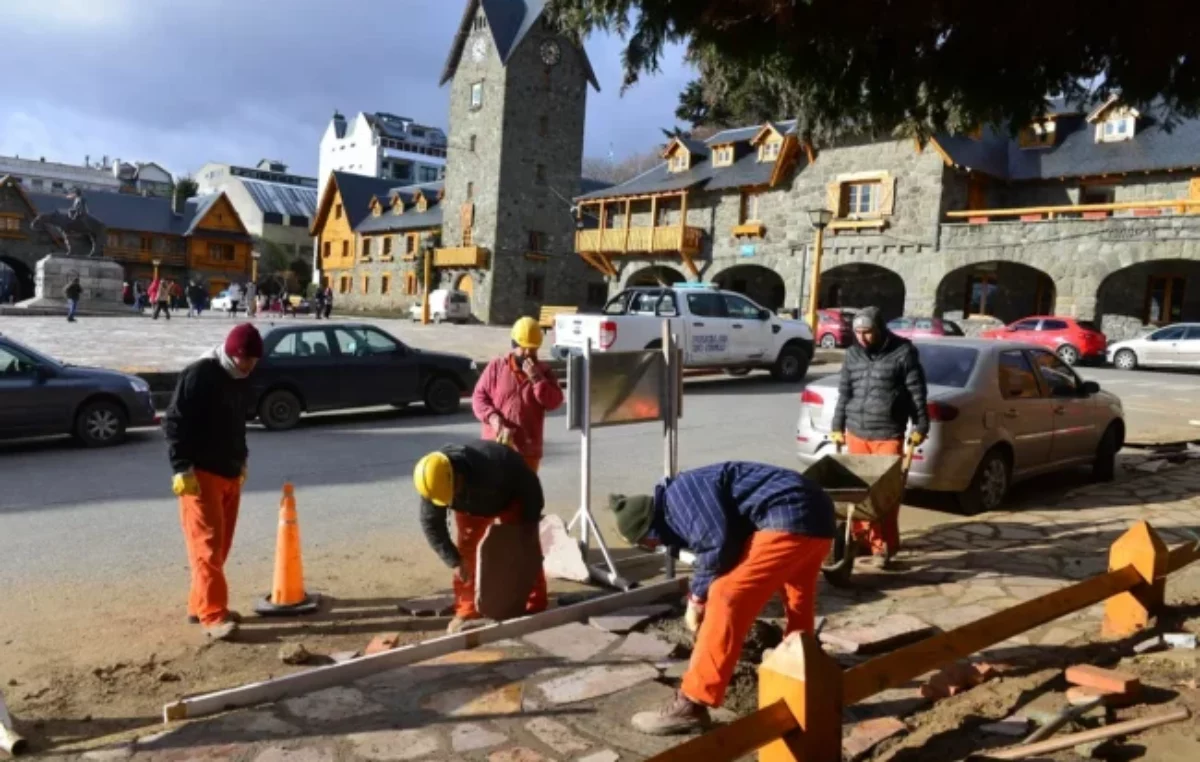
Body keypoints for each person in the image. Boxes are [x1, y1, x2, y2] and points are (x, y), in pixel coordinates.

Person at [610, 462, 835, 735]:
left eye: (647, 543)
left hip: (788, 514)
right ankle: (807, 674)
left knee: (725, 595)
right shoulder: (686, 495)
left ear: (648, 529)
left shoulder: (680, 496)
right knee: (797, 596)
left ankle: (691, 703)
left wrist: (696, 601)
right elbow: (728, 546)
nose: (654, 547)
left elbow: (716, 548)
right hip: (817, 518)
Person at [164, 323, 263, 641]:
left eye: (254, 361)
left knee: (219, 547)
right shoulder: (199, 374)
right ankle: (213, 615)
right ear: (232, 353)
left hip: (230, 471)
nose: (249, 366)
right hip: (201, 474)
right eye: (245, 360)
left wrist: (242, 458)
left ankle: (200, 604)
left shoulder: (241, 380)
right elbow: (175, 422)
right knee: (207, 547)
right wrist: (181, 467)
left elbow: (237, 423)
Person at [413, 440, 548, 634]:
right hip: (471, 508)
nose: (450, 497)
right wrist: (453, 560)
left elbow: (531, 488)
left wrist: (528, 525)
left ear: (456, 475)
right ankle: (467, 609)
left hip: (513, 497)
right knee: (465, 557)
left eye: (453, 492)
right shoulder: (434, 483)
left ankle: (535, 603)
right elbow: (431, 524)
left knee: (524, 549)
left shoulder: (495, 462)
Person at [830, 306, 929, 565]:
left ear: (880, 330)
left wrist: (921, 426)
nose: (862, 338)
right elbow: (845, 393)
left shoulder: (903, 352)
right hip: (856, 432)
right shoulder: (852, 355)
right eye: (858, 333)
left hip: (888, 432)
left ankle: (884, 545)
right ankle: (860, 540)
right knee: (857, 494)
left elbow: (916, 391)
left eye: (868, 333)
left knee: (884, 495)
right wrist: (837, 426)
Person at [472, 317, 563, 472]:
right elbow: (479, 397)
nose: (528, 353)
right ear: (514, 345)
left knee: (523, 495)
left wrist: (536, 379)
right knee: (494, 494)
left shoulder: (544, 372)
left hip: (527, 452)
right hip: (495, 448)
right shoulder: (497, 367)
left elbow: (554, 402)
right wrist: (493, 418)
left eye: (533, 349)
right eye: (524, 348)